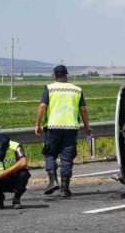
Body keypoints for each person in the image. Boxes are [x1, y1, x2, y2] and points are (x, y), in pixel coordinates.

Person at [34, 65, 91, 198]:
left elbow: (42, 106)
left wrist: (37, 124)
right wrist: (87, 126)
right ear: (66, 75)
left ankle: (53, 180)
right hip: (71, 128)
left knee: (50, 154)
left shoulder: (49, 88)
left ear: (55, 76)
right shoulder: (77, 90)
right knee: (67, 157)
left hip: (53, 127)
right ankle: (65, 188)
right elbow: (83, 109)